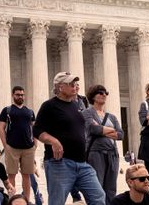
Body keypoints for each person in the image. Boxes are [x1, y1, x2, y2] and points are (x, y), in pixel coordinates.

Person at [32, 72, 105, 205]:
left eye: (76, 84)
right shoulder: (49, 106)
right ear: (60, 87)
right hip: (60, 163)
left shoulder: (76, 106)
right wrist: (53, 141)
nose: (75, 87)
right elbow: (36, 130)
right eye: (71, 84)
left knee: (98, 196)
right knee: (57, 201)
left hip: (82, 163)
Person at [84, 84, 124, 205]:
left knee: (111, 189)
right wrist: (111, 131)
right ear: (93, 96)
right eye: (100, 93)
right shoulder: (87, 113)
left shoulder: (111, 116)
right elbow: (93, 129)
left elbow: (121, 135)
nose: (104, 95)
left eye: (105, 93)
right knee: (97, 187)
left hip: (113, 154)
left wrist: (102, 129)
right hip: (96, 153)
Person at [0, 86, 36, 202]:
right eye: (18, 94)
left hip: (28, 148)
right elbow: (1, 128)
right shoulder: (7, 110)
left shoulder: (30, 111)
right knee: (11, 176)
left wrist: (35, 144)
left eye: (22, 95)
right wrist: (5, 146)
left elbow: (34, 128)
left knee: (27, 176)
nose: (20, 96)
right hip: (12, 148)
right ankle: (11, 200)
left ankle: (27, 200)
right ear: (13, 95)